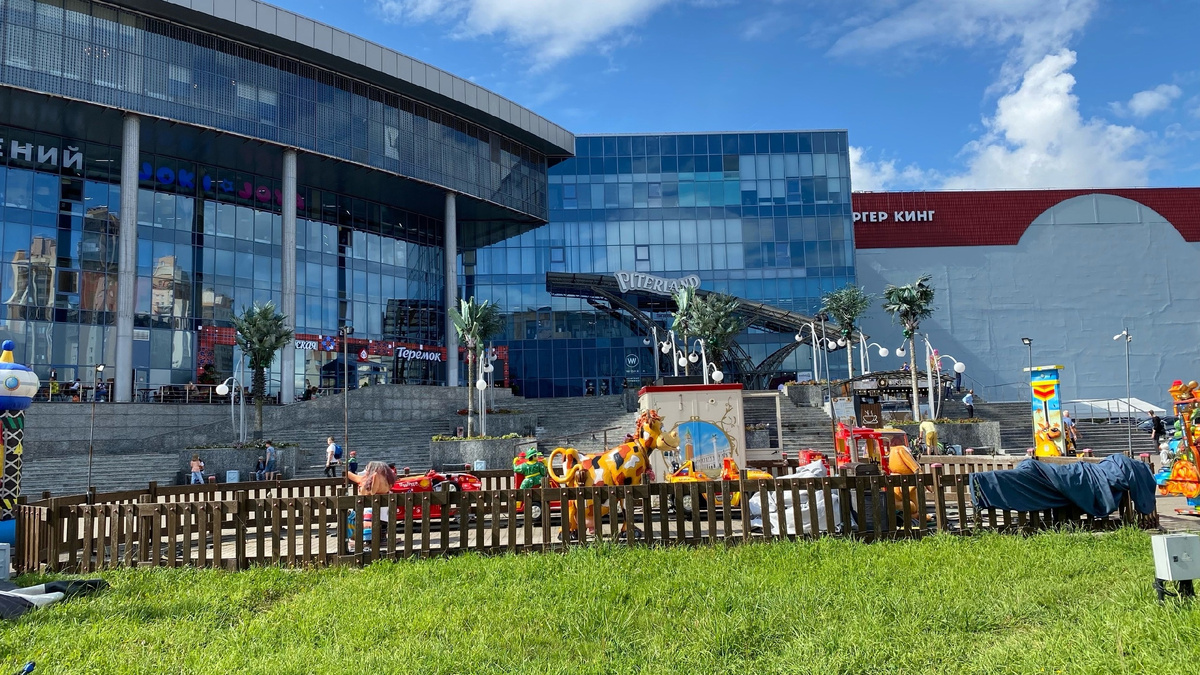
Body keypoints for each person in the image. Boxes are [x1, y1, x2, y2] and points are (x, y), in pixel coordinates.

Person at [345, 461, 397, 553]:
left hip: (370, 507)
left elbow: (372, 490)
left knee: (368, 518)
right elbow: (354, 477)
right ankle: (382, 536)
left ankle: (367, 539)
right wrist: (347, 472)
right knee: (383, 521)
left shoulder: (370, 479)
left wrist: (347, 472)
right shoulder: (387, 480)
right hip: (385, 507)